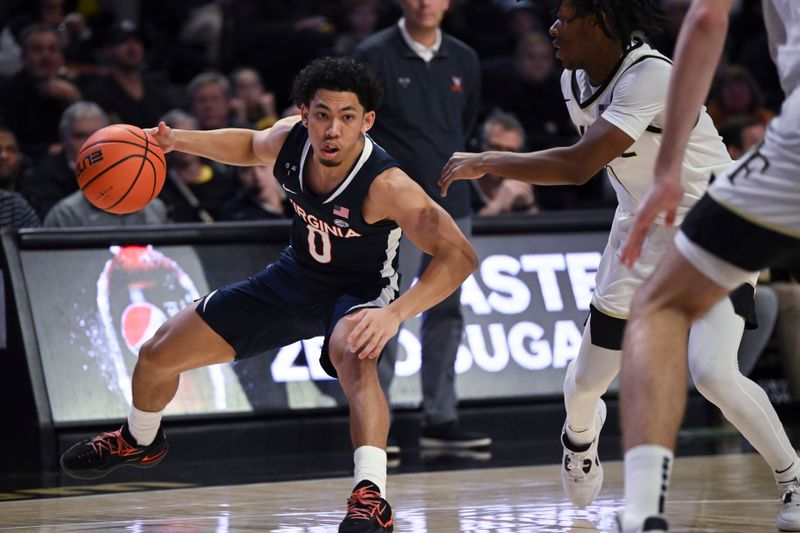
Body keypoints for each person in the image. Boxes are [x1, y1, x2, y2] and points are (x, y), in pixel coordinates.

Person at [59, 56, 477, 533]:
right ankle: (139, 438)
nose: (332, 131)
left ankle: (370, 496)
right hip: (293, 277)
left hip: (358, 291)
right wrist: (177, 141)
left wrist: (396, 314)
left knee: (355, 353)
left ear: (367, 121)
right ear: (304, 114)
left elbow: (459, 256)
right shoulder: (290, 141)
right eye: (322, 115)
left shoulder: (387, 185)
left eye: (346, 117)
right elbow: (248, 145)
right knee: (156, 353)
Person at [437, 1, 800, 529]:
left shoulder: (649, 74)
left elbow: (580, 164)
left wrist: (488, 160)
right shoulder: (572, 81)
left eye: (564, 18)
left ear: (602, 23)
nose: (553, 28)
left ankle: (793, 479)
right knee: (583, 385)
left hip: (709, 224)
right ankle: (579, 441)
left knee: (714, 373)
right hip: (639, 230)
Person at [617, 0, 800, 530]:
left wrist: (667, 166)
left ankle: (644, 511)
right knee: (712, 371)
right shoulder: (580, 83)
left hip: (781, 154)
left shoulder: (648, 73)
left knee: (661, 313)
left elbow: (706, 18)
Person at [353, 0, 491, 452]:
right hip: (395, 210)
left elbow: (465, 122)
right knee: (385, 309)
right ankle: (377, 423)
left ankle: (441, 417)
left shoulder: (465, 58)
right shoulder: (373, 54)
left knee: (447, 312)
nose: (425, 3)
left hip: (453, 206)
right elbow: (360, 130)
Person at [19, 100, 107, 218]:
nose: (89, 143)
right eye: (79, 136)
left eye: (97, 135)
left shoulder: (123, 170)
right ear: (63, 138)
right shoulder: (43, 179)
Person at [471, 110, 536, 216]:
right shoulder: (460, 188)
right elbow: (461, 230)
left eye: (511, 151)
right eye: (496, 148)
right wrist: (497, 205)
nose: (503, 158)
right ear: (479, 146)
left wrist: (529, 207)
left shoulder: (521, 184)